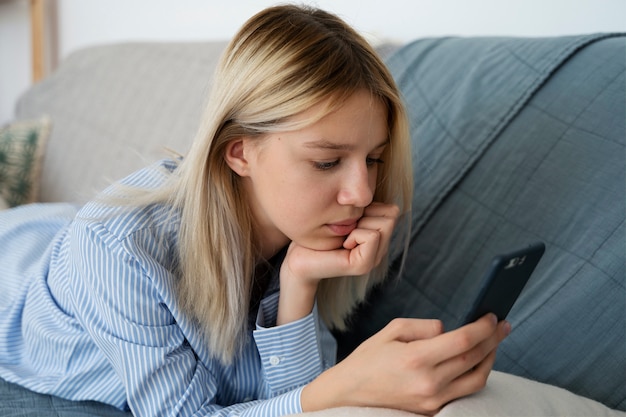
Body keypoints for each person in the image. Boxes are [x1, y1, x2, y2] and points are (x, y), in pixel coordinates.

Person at [0, 4, 510, 417]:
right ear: (240, 151)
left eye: (373, 159)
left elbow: (275, 400)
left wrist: (299, 283)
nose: (360, 192)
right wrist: (336, 388)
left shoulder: (312, 227)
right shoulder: (120, 249)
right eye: (327, 160)